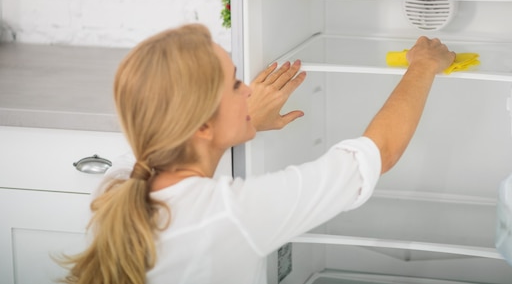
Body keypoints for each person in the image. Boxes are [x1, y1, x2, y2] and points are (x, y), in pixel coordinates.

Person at [58, 23, 455, 284]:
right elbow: (376, 154)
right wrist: (423, 66)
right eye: (235, 85)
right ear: (201, 126)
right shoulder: (232, 215)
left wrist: (233, 127)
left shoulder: (113, 193)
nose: (249, 91)